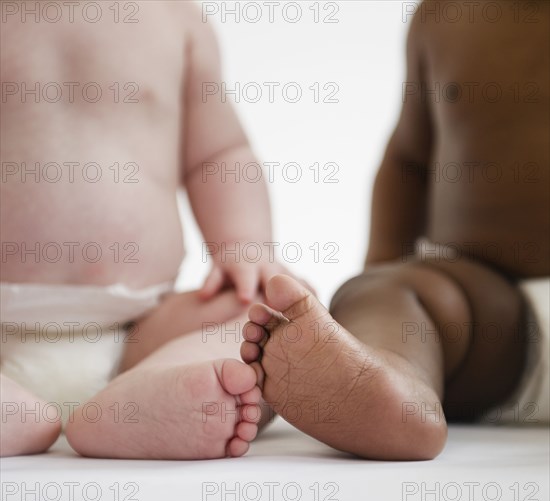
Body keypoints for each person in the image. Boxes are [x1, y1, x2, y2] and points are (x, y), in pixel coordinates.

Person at [241, 0, 549, 460]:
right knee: (389, 294)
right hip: (499, 318)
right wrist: (375, 290)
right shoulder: (446, 14)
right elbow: (408, 162)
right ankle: (392, 386)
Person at [1, 1, 291, 459]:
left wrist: (243, 244)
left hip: (142, 333)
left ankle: (149, 400)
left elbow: (219, 154)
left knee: (273, 315)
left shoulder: (176, 18)